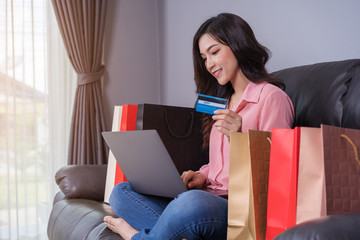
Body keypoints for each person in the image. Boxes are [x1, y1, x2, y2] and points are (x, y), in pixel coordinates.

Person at [103, 13, 294, 240]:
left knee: (190, 203)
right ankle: (180, 232)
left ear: (238, 45)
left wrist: (240, 138)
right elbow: (218, 165)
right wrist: (203, 175)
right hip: (207, 195)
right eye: (204, 57)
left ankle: (137, 236)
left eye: (214, 52)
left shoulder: (272, 98)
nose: (209, 64)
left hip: (241, 208)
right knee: (121, 192)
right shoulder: (222, 102)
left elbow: (278, 176)